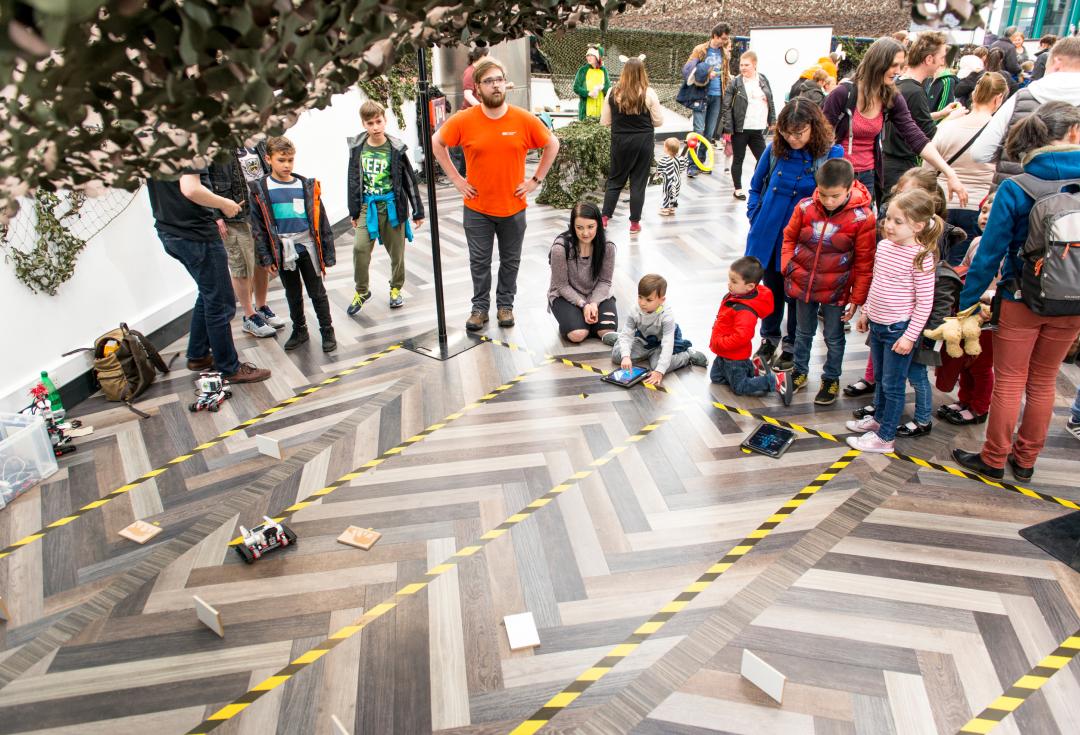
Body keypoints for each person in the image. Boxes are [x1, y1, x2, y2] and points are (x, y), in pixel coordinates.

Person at [952, 101, 1080, 481]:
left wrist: (967, 304)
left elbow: (987, 255)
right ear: (1072, 133)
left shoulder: (1018, 186)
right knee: (1043, 381)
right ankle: (1025, 461)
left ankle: (993, 459)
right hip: (1073, 300)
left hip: (1023, 296)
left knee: (1009, 381)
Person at [432, 57, 560, 332]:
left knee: (510, 261)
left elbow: (553, 144)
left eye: (499, 80)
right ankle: (479, 308)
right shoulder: (465, 119)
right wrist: (456, 179)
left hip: (513, 207)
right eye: (488, 81)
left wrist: (536, 180)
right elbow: (437, 141)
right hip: (477, 208)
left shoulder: (523, 119)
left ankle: (505, 306)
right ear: (477, 88)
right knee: (479, 262)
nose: (495, 86)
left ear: (505, 84)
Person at [746, 99, 844, 370]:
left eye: (798, 133)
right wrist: (754, 213)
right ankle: (769, 338)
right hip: (769, 234)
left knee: (798, 295)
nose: (791, 138)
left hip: (805, 240)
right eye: (786, 132)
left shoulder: (831, 154)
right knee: (771, 289)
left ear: (813, 127)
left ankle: (792, 345)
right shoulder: (774, 150)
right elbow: (755, 185)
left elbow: (840, 198)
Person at [147, 171, 271, 383]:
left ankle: (198, 355)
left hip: (170, 231)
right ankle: (229, 368)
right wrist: (224, 203)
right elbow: (191, 188)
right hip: (195, 235)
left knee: (209, 294)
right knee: (221, 303)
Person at [845, 189, 940, 453]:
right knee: (880, 378)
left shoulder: (922, 257)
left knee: (893, 385)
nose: (889, 225)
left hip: (898, 330)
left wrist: (909, 336)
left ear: (918, 226)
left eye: (898, 222)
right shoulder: (884, 246)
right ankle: (878, 421)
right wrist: (866, 312)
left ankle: (885, 438)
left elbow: (924, 303)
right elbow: (878, 283)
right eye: (888, 219)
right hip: (877, 324)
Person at [822, 37, 968, 206]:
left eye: (900, 65)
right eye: (894, 65)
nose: (898, 71)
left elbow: (916, 137)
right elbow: (821, 137)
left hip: (868, 177)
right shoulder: (842, 94)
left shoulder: (891, 97)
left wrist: (950, 173)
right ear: (878, 62)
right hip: (836, 174)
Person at [782, 158, 876, 405]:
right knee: (802, 332)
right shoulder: (804, 208)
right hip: (804, 284)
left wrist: (858, 298)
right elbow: (789, 237)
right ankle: (800, 371)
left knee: (834, 337)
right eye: (823, 194)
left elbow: (865, 262)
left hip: (837, 290)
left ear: (849, 188)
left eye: (835, 196)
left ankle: (831, 377)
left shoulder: (862, 218)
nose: (828, 201)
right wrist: (787, 266)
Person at [249, 135, 337, 353]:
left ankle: (327, 330)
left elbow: (321, 220)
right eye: (281, 160)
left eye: (290, 160)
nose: (287, 165)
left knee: (317, 292)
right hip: (283, 251)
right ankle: (300, 329)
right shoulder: (261, 189)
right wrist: (266, 257)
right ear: (268, 159)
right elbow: (258, 227)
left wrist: (327, 251)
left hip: (307, 247)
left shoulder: (305, 186)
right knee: (292, 293)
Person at [346, 100, 425, 315]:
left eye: (378, 121)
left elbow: (409, 180)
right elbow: (353, 180)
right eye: (370, 123)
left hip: (392, 207)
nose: (375, 127)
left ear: (385, 120)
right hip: (367, 207)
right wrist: (353, 211)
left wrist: (418, 211)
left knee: (396, 253)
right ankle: (362, 291)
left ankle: (396, 289)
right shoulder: (357, 148)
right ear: (364, 124)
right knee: (359, 248)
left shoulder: (395, 148)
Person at [922, 72, 1008, 264]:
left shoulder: (949, 125)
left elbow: (927, 167)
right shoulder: (1000, 132)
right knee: (962, 266)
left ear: (974, 94)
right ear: (999, 98)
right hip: (979, 204)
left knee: (934, 261)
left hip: (943, 202)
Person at [970, 37, 1080, 185]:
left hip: (1013, 196)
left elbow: (979, 153)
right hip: (1071, 202)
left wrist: (1011, 158)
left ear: (1056, 63)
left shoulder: (1021, 97)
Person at [207, 146, 283, 339]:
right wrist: (216, 214)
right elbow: (206, 182)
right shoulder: (215, 145)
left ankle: (261, 306)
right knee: (241, 265)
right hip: (233, 215)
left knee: (261, 261)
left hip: (259, 210)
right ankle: (249, 316)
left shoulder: (257, 141)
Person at [935, 192, 996, 426]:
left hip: (987, 316)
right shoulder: (977, 242)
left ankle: (979, 407)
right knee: (965, 362)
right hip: (966, 311)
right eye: (983, 211)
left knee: (981, 366)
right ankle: (964, 400)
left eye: (993, 213)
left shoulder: (1007, 249)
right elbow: (966, 268)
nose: (985, 217)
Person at [881, 32, 962, 195]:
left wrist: (940, 114)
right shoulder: (915, 91)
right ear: (929, 59)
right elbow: (929, 135)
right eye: (942, 57)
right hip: (900, 167)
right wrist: (951, 119)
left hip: (887, 162)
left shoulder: (900, 84)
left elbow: (907, 119)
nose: (942, 62)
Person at [709, 256, 795, 404]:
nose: (729, 284)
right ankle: (753, 368)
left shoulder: (745, 311)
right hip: (723, 353)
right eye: (730, 279)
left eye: (734, 281)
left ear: (749, 287)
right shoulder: (735, 296)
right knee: (716, 378)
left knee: (740, 387)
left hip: (734, 357)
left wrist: (721, 343)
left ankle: (774, 380)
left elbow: (742, 336)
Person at [604, 273, 707, 387]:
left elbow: (667, 345)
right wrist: (626, 356)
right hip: (644, 339)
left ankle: (687, 356)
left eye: (648, 299)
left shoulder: (667, 316)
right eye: (640, 297)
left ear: (661, 300)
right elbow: (628, 334)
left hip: (663, 343)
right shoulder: (634, 310)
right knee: (618, 356)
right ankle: (621, 340)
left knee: (657, 366)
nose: (642, 303)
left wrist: (659, 371)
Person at [600, 56, 664, 234]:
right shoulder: (649, 93)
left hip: (620, 142)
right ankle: (634, 223)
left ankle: (604, 218)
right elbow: (658, 122)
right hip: (643, 142)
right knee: (638, 183)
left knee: (615, 180)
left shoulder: (612, 92)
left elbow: (604, 121)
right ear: (642, 72)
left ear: (624, 72)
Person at [547, 202, 617, 342]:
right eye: (579, 228)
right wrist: (583, 305)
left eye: (590, 227)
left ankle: (584, 322)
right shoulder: (560, 248)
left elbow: (605, 281)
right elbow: (562, 286)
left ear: (598, 224)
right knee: (577, 334)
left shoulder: (607, 246)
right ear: (573, 226)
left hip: (596, 294)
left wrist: (593, 304)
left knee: (607, 332)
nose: (585, 233)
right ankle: (576, 323)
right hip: (565, 295)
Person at [721, 50, 776, 200]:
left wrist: (772, 120)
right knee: (738, 158)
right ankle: (738, 188)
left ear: (755, 65)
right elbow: (726, 106)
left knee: (764, 158)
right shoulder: (736, 82)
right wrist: (729, 127)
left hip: (757, 128)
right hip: (740, 128)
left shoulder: (763, 80)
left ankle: (758, 184)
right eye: (741, 65)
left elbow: (770, 100)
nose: (743, 68)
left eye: (746, 65)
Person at [679, 24, 732, 178]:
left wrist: (727, 93)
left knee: (709, 133)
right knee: (698, 131)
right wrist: (706, 74)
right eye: (723, 38)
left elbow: (726, 75)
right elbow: (688, 70)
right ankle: (692, 164)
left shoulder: (724, 53)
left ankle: (701, 162)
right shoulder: (700, 49)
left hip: (717, 96)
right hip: (701, 94)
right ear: (715, 35)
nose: (724, 41)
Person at [450, 46, 490, 177]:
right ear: (481, 56)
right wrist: (481, 108)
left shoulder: (477, 71)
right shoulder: (470, 72)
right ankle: (463, 173)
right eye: (487, 56)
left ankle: (467, 171)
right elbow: (467, 95)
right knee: (468, 145)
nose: (488, 59)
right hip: (471, 114)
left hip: (475, 113)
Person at [574, 46, 609, 120]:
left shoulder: (603, 70)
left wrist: (601, 87)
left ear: (597, 57)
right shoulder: (583, 70)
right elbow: (576, 88)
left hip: (601, 110)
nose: (589, 58)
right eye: (587, 55)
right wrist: (588, 93)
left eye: (591, 55)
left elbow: (608, 88)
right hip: (586, 111)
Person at [657, 137, 688, 216]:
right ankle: (672, 208)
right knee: (675, 194)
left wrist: (658, 175)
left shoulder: (664, 159)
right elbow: (682, 168)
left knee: (667, 195)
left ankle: (665, 209)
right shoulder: (680, 159)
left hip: (668, 181)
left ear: (666, 149)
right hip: (677, 181)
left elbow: (659, 169)